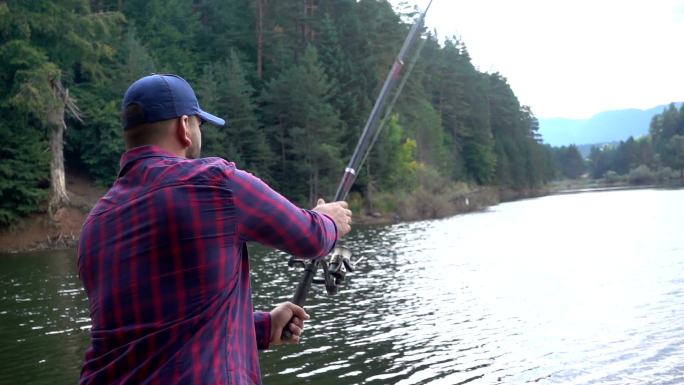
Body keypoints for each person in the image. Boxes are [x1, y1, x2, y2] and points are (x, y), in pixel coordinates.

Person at [77, 73, 352, 385]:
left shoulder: (95, 223)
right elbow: (311, 238)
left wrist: (263, 327)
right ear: (184, 127)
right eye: (199, 124)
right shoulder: (214, 183)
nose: (198, 132)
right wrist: (329, 219)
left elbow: (150, 330)